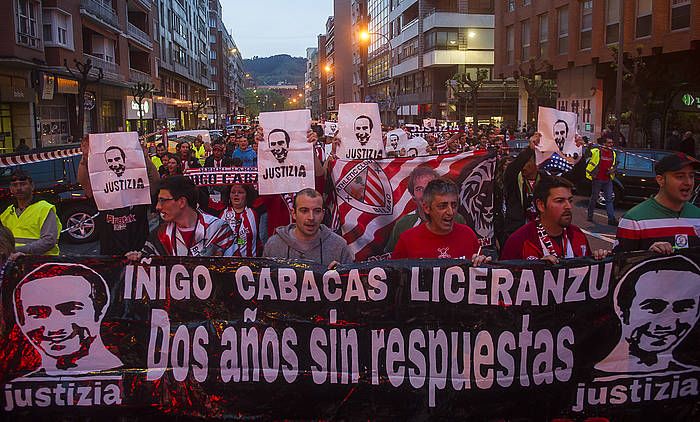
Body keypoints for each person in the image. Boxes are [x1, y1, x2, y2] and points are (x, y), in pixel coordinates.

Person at [594, 255, 700, 381]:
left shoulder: (689, 382)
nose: (668, 325)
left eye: (683, 308)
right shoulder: (585, 380)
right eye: (654, 308)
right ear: (622, 310)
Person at [12, 262, 123, 378]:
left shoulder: (130, 381)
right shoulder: (15, 388)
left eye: (70, 310)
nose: (54, 328)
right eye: (38, 314)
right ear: (21, 320)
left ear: (100, 310)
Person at [77, 135, 160, 256]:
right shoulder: (102, 194)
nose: (114, 164)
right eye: (110, 161)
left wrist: (144, 158)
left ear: (124, 159)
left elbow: (155, 182)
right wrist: (84, 159)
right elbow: (84, 182)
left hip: (139, 252)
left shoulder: (139, 191)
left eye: (117, 159)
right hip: (111, 254)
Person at [500, 175, 609, 263]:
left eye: (570, 200)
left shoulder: (578, 235)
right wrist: (536, 271)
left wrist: (598, 259)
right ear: (541, 205)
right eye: (560, 201)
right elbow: (502, 282)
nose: (568, 206)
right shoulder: (519, 241)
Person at [127, 176, 234, 258]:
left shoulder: (219, 230)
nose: (158, 207)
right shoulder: (158, 235)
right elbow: (147, 263)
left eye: (163, 200)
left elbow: (236, 269)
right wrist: (136, 259)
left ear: (182, 202)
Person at [615, 153, 700, 253]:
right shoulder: (633, 220)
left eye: (691, 176)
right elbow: (619, 265)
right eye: (680, 176)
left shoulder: (697, 215)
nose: (688, 182)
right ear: (660, 180)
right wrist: (648, 254)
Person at [392, 178, 489, 264]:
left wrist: (481, 264)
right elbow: (394, 275)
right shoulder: (408, 240)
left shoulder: (468, 235)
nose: (450, 212)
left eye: (454, 205)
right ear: (426, 208)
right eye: (442, 206)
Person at [263, 188, 353, 269]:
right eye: (304, 211)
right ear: (293, 213)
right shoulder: (273, 245)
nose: (311, 217)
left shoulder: (339, 246)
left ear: (323, 214)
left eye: (317, 211)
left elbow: (350, 285)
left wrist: (341, 276)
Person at [385, 166, 465, 253]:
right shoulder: (403, 225)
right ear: (413, 196)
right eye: (419, 189)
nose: (425, 193)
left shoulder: (456, 219)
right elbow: (391, 259)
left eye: (429, 187)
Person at [0, 169, 61, 255]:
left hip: (40, 262)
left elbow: (48, 241)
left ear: (32, 186)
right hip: (14, 261)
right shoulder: (8, 212)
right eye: (14, 185)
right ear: (11, 189)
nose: (18, 188)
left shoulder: (44, 208)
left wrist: (16, 250)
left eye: (23, 184)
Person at [501, 132, 541, 245]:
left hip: (540, 234)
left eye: (527, 162)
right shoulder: (513, 179)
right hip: (515, 233)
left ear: (535, 163)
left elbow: (571, 179)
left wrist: (577, 156)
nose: (523, 166)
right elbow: (512, 168)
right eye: (522, 163)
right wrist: (529, 149)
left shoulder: (545, 180)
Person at [220, 184, 260, 257]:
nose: (236, 194)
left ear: (247, 195)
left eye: (240, 192)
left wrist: (239, 241)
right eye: (233, 192)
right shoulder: (222, 214)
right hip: (226, 263)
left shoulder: (255, 214)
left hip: (249, 262)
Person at [586, 136, 618, 225]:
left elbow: (614, 165)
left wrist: (612, 170)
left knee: (609, 199)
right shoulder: (597, 151)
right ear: (604, 144)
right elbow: (587, 155)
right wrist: (589, 146)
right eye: (608, 143)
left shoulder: (613, 153)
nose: (610, 145)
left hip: (608, 179)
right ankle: (590, 215)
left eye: (611, 143)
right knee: (594, 198)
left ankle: (611, 219)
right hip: (597, 179)